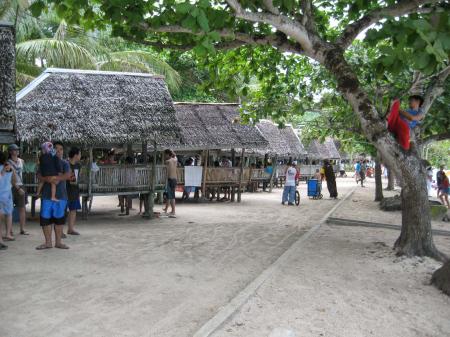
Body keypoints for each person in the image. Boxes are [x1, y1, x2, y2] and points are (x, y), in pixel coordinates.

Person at [36, 141, 71, 250]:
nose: (59, 151)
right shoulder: (45, 161)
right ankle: (48, 243)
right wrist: (47, 179)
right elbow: (38, 174)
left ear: (63, 151)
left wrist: (56, 179)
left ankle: (58, 242)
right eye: (56, 149)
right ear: (52, 150)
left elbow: (68, 175)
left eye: (61, 149)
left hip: (61, 196)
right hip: (46, 195)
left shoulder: (65, 163)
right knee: (45, 219)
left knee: (59, 219)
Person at [7, 144, 28, 235]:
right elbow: (9, 178)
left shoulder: (21, 161)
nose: (17, 151)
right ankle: (10, 230)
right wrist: (18, 187)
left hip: (21, 185)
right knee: (9, 209)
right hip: (11, 187)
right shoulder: (7, 163)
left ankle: (22, 229)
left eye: (17, 149)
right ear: (10, 152)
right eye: (15, 150)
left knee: (22, 208)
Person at [0, 152, 15, 244]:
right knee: (9, 214)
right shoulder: (9, 167)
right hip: (8, 194)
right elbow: (14, 179)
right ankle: (8, 233)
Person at [66, 147, 81, 235]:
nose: (80, 156)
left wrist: (78, 191)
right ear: (76, 155)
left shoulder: (78, 165)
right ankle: (59, 231)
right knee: (62, 211)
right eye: (79, 154)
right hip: (65, 189)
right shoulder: (66, 164)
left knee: (73, 209)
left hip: (74, 189)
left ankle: (70, 229)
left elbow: (77, 178)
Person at [163, 149, 177, 217]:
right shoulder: (175, 160)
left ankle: (173, 211)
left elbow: (165, 170)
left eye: (165, 154)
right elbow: (174, 155)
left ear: (168, 154)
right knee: (171, 195)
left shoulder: (167, 161)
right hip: (174, 179)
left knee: (171, 196)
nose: (164, 156)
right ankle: (171, 210)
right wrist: (172, 152)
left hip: (170, 180)